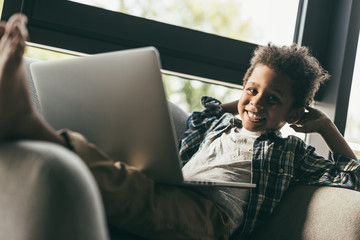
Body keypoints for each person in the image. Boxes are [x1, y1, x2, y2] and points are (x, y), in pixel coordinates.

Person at [2, 13, 360, 240]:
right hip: (175, 192)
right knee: (124, 179)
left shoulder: (290, 152)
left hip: (210, 221)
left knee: (128, 190)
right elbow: (203, 115)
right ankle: (36, 130)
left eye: (273, 99)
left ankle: (31, 126)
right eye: (252, 90)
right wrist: (247, 101)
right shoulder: (218, 125)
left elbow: (353, 177)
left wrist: (325, 126)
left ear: (293, 113)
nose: (257, 103)